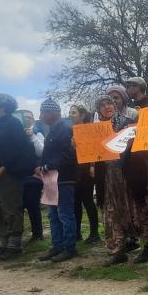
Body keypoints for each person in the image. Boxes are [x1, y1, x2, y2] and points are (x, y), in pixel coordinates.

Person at [96, 90, 148, 265]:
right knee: (111, 213)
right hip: (108, 178)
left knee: (137, 209)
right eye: (103, 105)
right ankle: (117, 250)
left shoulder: (128, 123)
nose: (107, 107)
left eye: (110, 103)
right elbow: (90, 153)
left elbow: (141, 146)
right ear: (98, 110)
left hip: (129, 174)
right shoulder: (95, 131)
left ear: (115, 105)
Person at [0, 94, 37, 261]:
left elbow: (16, 149)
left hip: (10, 173)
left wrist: (4, 167)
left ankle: (15, 243)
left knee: (10, 207)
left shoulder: (13, 124)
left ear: (3, 107)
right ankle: (5, 240)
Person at [37, 99, 79, 263]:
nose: (40, 116)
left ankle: (70, 247)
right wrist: (42, 166)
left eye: (43, 112)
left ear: (52, 113)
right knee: (53, 214)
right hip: (51, 178)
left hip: (63, 179)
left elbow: (68, 155)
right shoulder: (53, 130)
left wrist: (47, 166)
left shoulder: (64, 130)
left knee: (64, 214)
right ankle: (57, 245)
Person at [68, 105, 100, 243]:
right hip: (73, 170)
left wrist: (92, 166)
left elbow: (94, 148)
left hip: (86, 170)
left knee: (87, 200)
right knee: (75, 202)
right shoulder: (68, 131)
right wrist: (71, 148)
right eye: (70, 112)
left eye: (73, 112)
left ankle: (94, 233)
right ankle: (77, 232)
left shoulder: (89, 129)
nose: (70, 115)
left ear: (82, 115)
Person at [20, 110, 45, 243]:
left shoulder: (38, 132)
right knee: (18, 206)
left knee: (32, 205)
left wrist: (32, 137)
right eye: (24, 117)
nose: (27, 119)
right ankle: (17, 233)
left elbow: (42, 152)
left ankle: (37, 233)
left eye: (29, 117)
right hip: (18, 175)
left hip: (33, 176)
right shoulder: (16, 133)